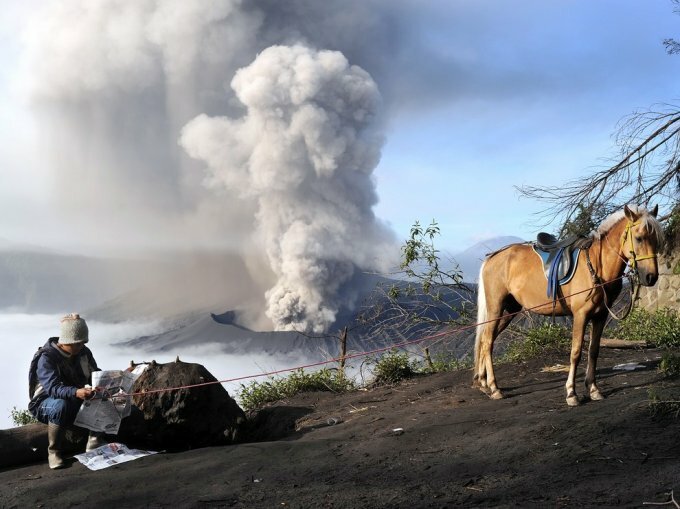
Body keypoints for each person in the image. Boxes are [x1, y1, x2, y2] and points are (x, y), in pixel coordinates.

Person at [28, 313, 107, 469]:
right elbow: (52, 388)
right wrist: (76, 392)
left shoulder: (83, 352)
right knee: (61, 406)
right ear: (66, 341)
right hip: (46, 402)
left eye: (83, 342)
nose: (80, 346)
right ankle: (54, 451)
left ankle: (94, 442)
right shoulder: (47, 358)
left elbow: (93, 373)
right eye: (77, 343)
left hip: (75, 397)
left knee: (105, 395)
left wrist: (103, 382)